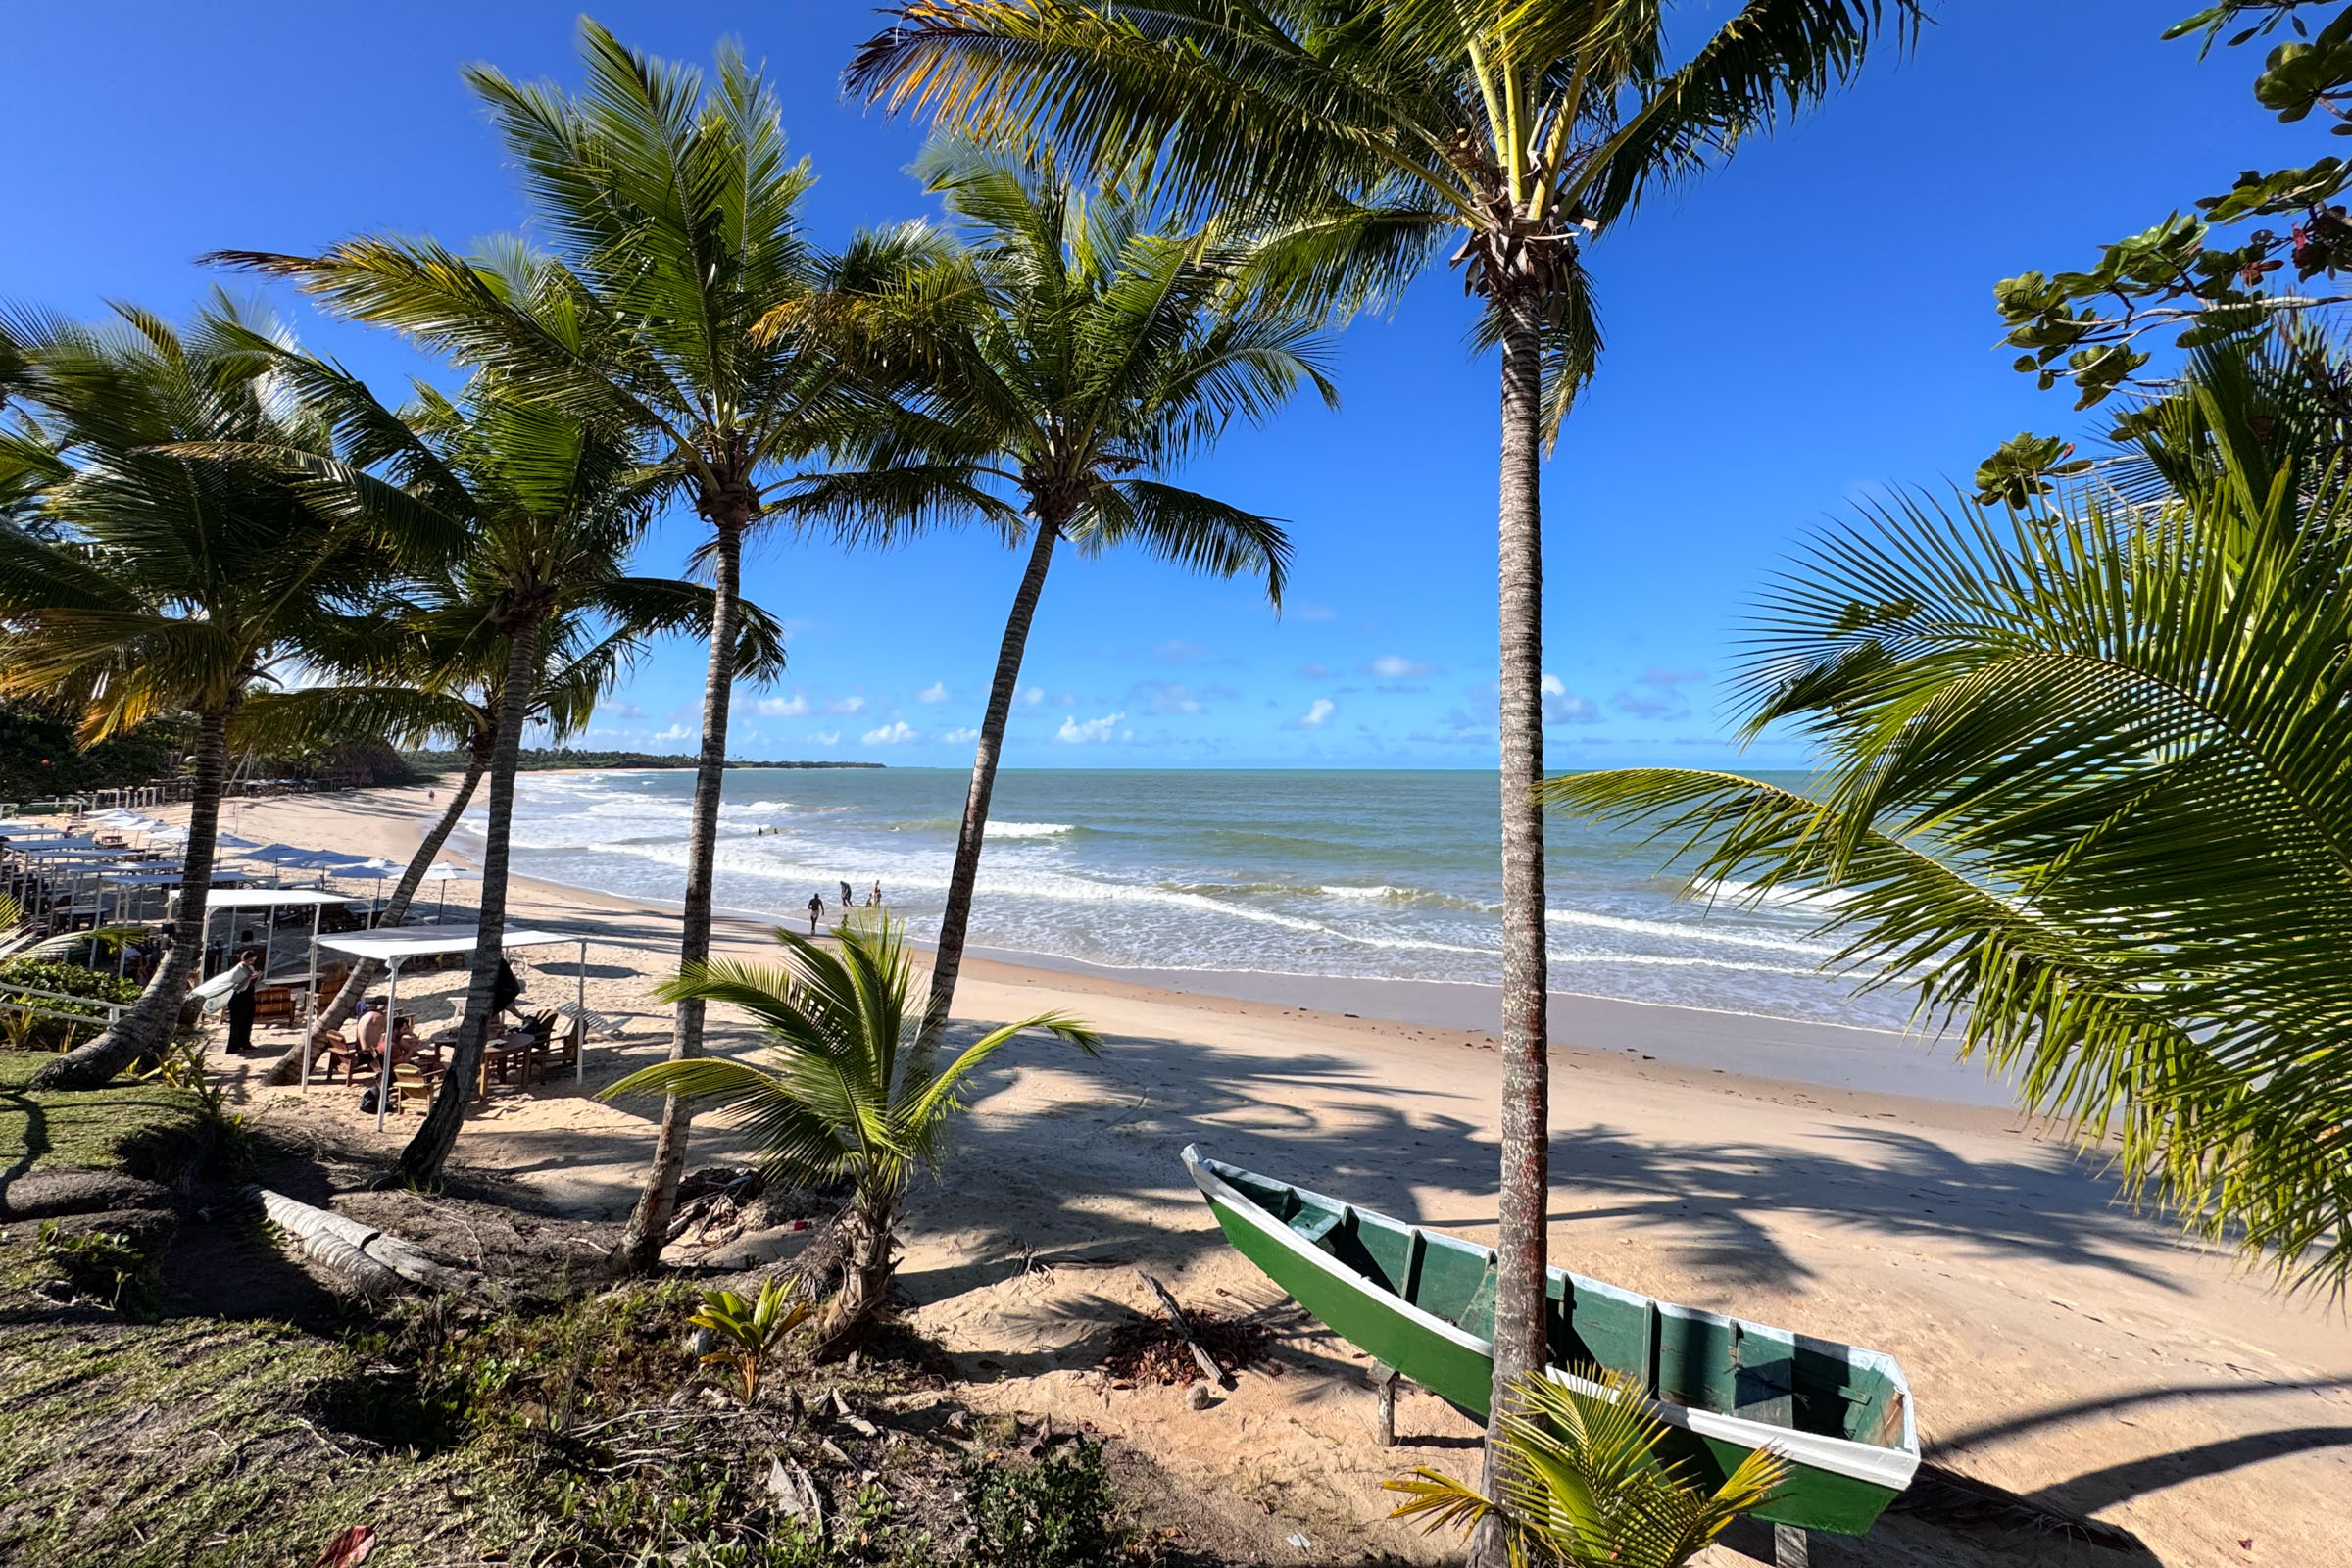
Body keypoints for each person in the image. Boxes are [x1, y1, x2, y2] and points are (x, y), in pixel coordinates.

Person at [223, 948, 263, 1054]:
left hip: (248, 995)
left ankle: (245, 1042)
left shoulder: (250, 967)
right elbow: (236, 987)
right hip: (238, 997)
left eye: (253, 961)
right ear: (244, 959)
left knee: (248, 1020)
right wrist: (250, 977)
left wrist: (256, 977)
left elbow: (251, 981)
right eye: (251, 960)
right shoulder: (237, 970)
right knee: (237, 1023)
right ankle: (233, 1046)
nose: (252, 962)